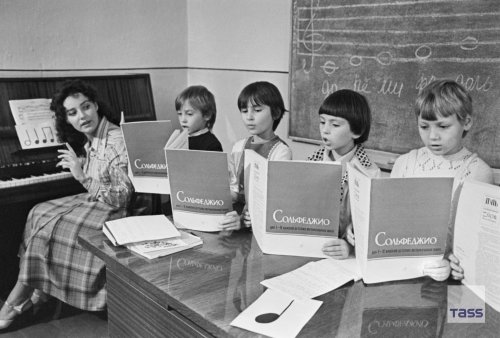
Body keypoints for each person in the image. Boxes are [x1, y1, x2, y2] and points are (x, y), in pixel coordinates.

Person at [0, 80, 134, 329]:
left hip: (115, 211)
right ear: (67, 119)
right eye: (73, 113)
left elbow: (121, 197)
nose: (82, 116)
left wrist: (81, 175)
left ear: (95, 106)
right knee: (37, 212)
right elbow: (103, 171)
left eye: (85, 107)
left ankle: (14, 302)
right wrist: (83, 163)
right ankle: (39, 289)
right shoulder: (96, 135)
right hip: (97, 200)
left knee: (48, 230)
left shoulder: (115, 139)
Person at [390, 79, 494, 281]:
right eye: (424, 126)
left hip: (446, 277)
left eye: (443, 126)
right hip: (402, 267)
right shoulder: (404, 163)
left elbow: (474, 242)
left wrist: (453, 262)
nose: (433, 136)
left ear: (467, 122)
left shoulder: (478, 172)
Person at [308, 89, 380, 259]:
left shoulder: (369, 172)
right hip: (311, 248)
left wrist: (349, 245)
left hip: (347, 257)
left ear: (357, 131)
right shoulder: (310, 163)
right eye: (322, 122)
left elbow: (370, 225)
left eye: (335, 124)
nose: (325, 130)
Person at [219, 81, 292, 231]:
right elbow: (234, 190)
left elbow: (275, 198)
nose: (249, 117)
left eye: (257, 110)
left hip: (260, 221)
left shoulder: (281, 151)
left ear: (276, 113)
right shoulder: (238, 146)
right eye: (244, 111)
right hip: (235, 217)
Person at [175, 85, 223, 151]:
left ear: (207, 115)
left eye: (189, 114)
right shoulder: (181, 140)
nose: (183, 120)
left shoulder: (212, 145)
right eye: (180, 114)